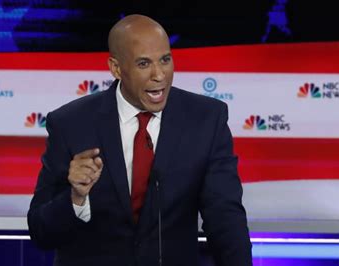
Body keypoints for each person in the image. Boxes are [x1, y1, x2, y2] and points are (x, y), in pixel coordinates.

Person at [27, 14, 252, 266]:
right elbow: (41, 231)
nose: (160, 75)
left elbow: (225, 219)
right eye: (144, 64)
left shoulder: (205, 120)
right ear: (116, 68)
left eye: (165, 60)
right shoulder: (72, 124)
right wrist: (76, 197)